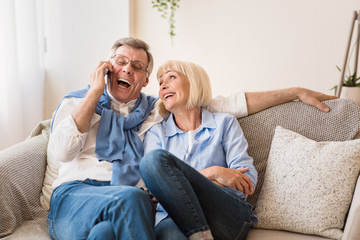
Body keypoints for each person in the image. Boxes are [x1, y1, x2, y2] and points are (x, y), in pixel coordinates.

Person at [47, 37, 336, 240]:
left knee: (105, 234)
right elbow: (61, 151)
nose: (127, 70)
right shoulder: (78, 102)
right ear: (107, 67)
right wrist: (95, 92)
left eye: (137, 67)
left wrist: (294, 92)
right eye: (120, 62)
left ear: (143, 80)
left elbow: (230, 103)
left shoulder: (151, 113)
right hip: (77, 195)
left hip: (128, 205)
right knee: (136, 195)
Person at [140, 60, 257, 240]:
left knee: (155, 160)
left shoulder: (224, 123)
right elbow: (156, 189)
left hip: (225, 215)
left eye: (171, 77)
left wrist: (176, 187)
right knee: (152, 162)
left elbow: (247, 182)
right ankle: (200, 235)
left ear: (193, 82)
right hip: (171, 217)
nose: (163, 85)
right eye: (160, 82)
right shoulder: (157, 133)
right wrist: (214, 173)